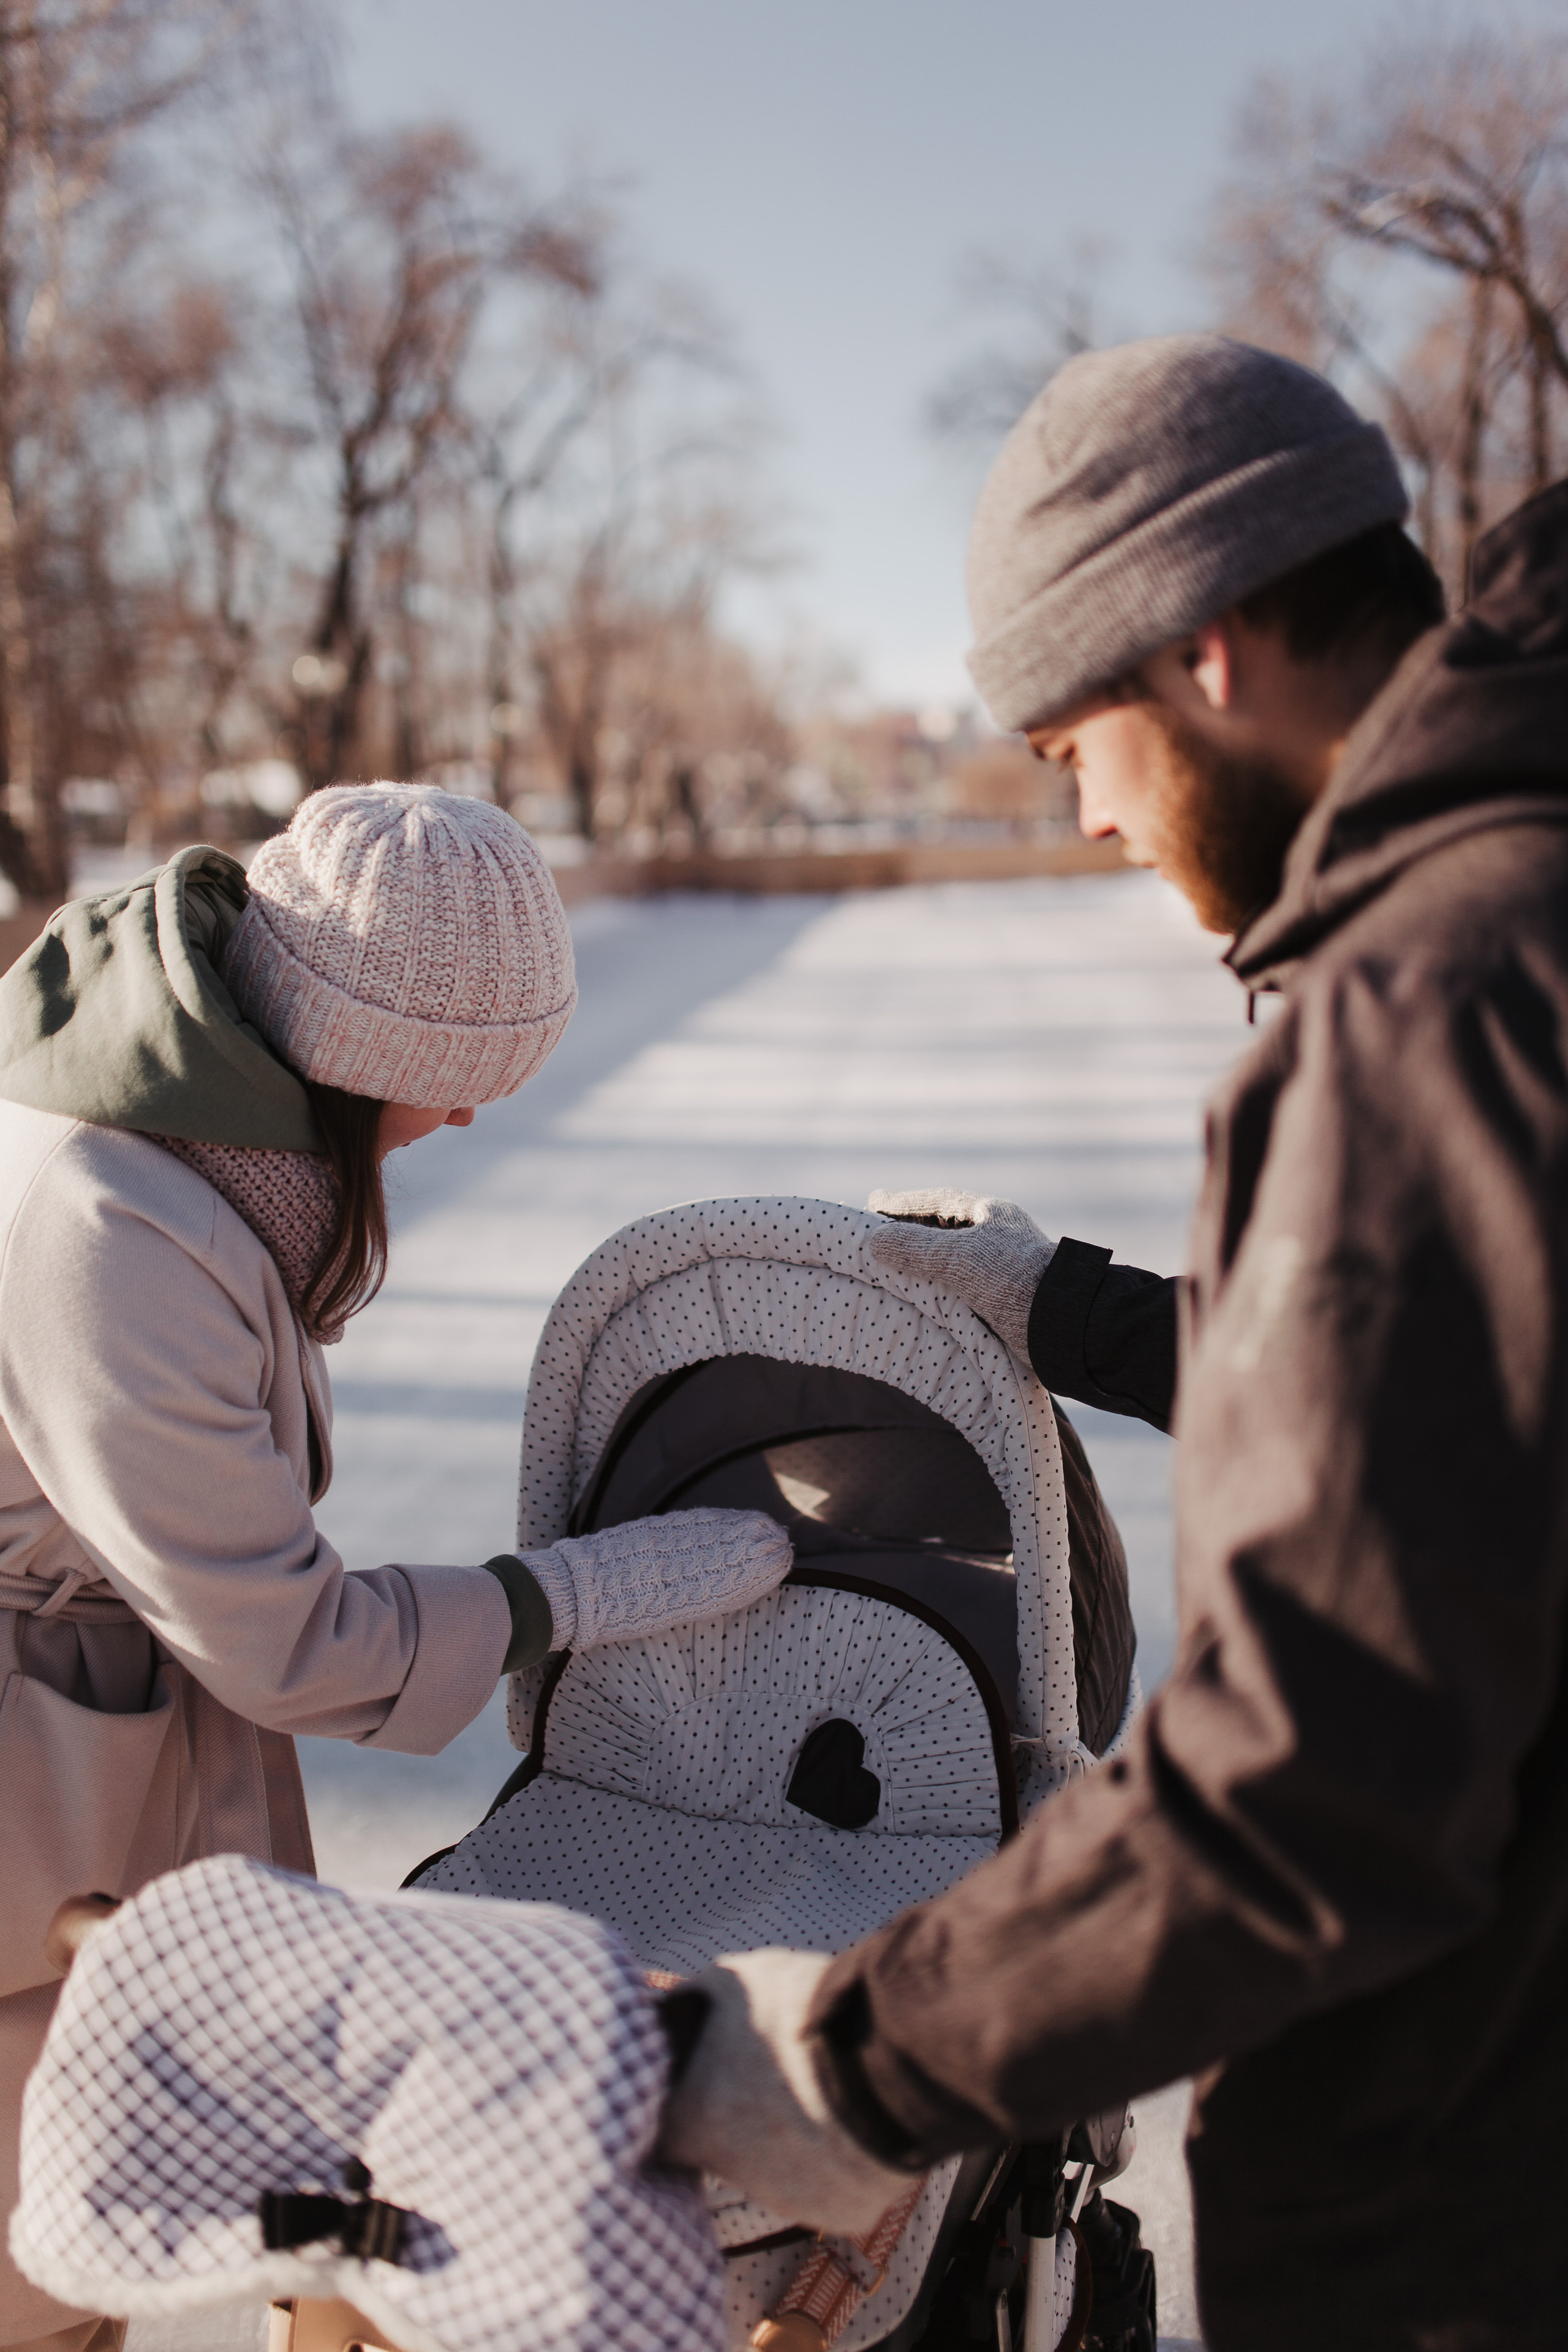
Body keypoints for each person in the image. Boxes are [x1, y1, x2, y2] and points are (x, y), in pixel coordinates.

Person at [658, 336, 1568, 2350]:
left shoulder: (1428, 1003)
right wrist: (1065, 1302)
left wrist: (860, 2066)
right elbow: (1477, 1436)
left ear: (1212, 646)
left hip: (1460, 2206)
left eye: (1076, 742)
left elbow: (1325, 1768)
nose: (1082, 819)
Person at [0, 783, 792, 2352]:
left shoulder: (202, 1155)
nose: (474, 1118)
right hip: (37, 1779)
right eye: (457, 1082)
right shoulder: (108, 1229)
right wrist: (575, 1592)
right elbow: (288, 1639)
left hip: (115, 1726)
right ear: (364, 1054)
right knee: (45, 2264)